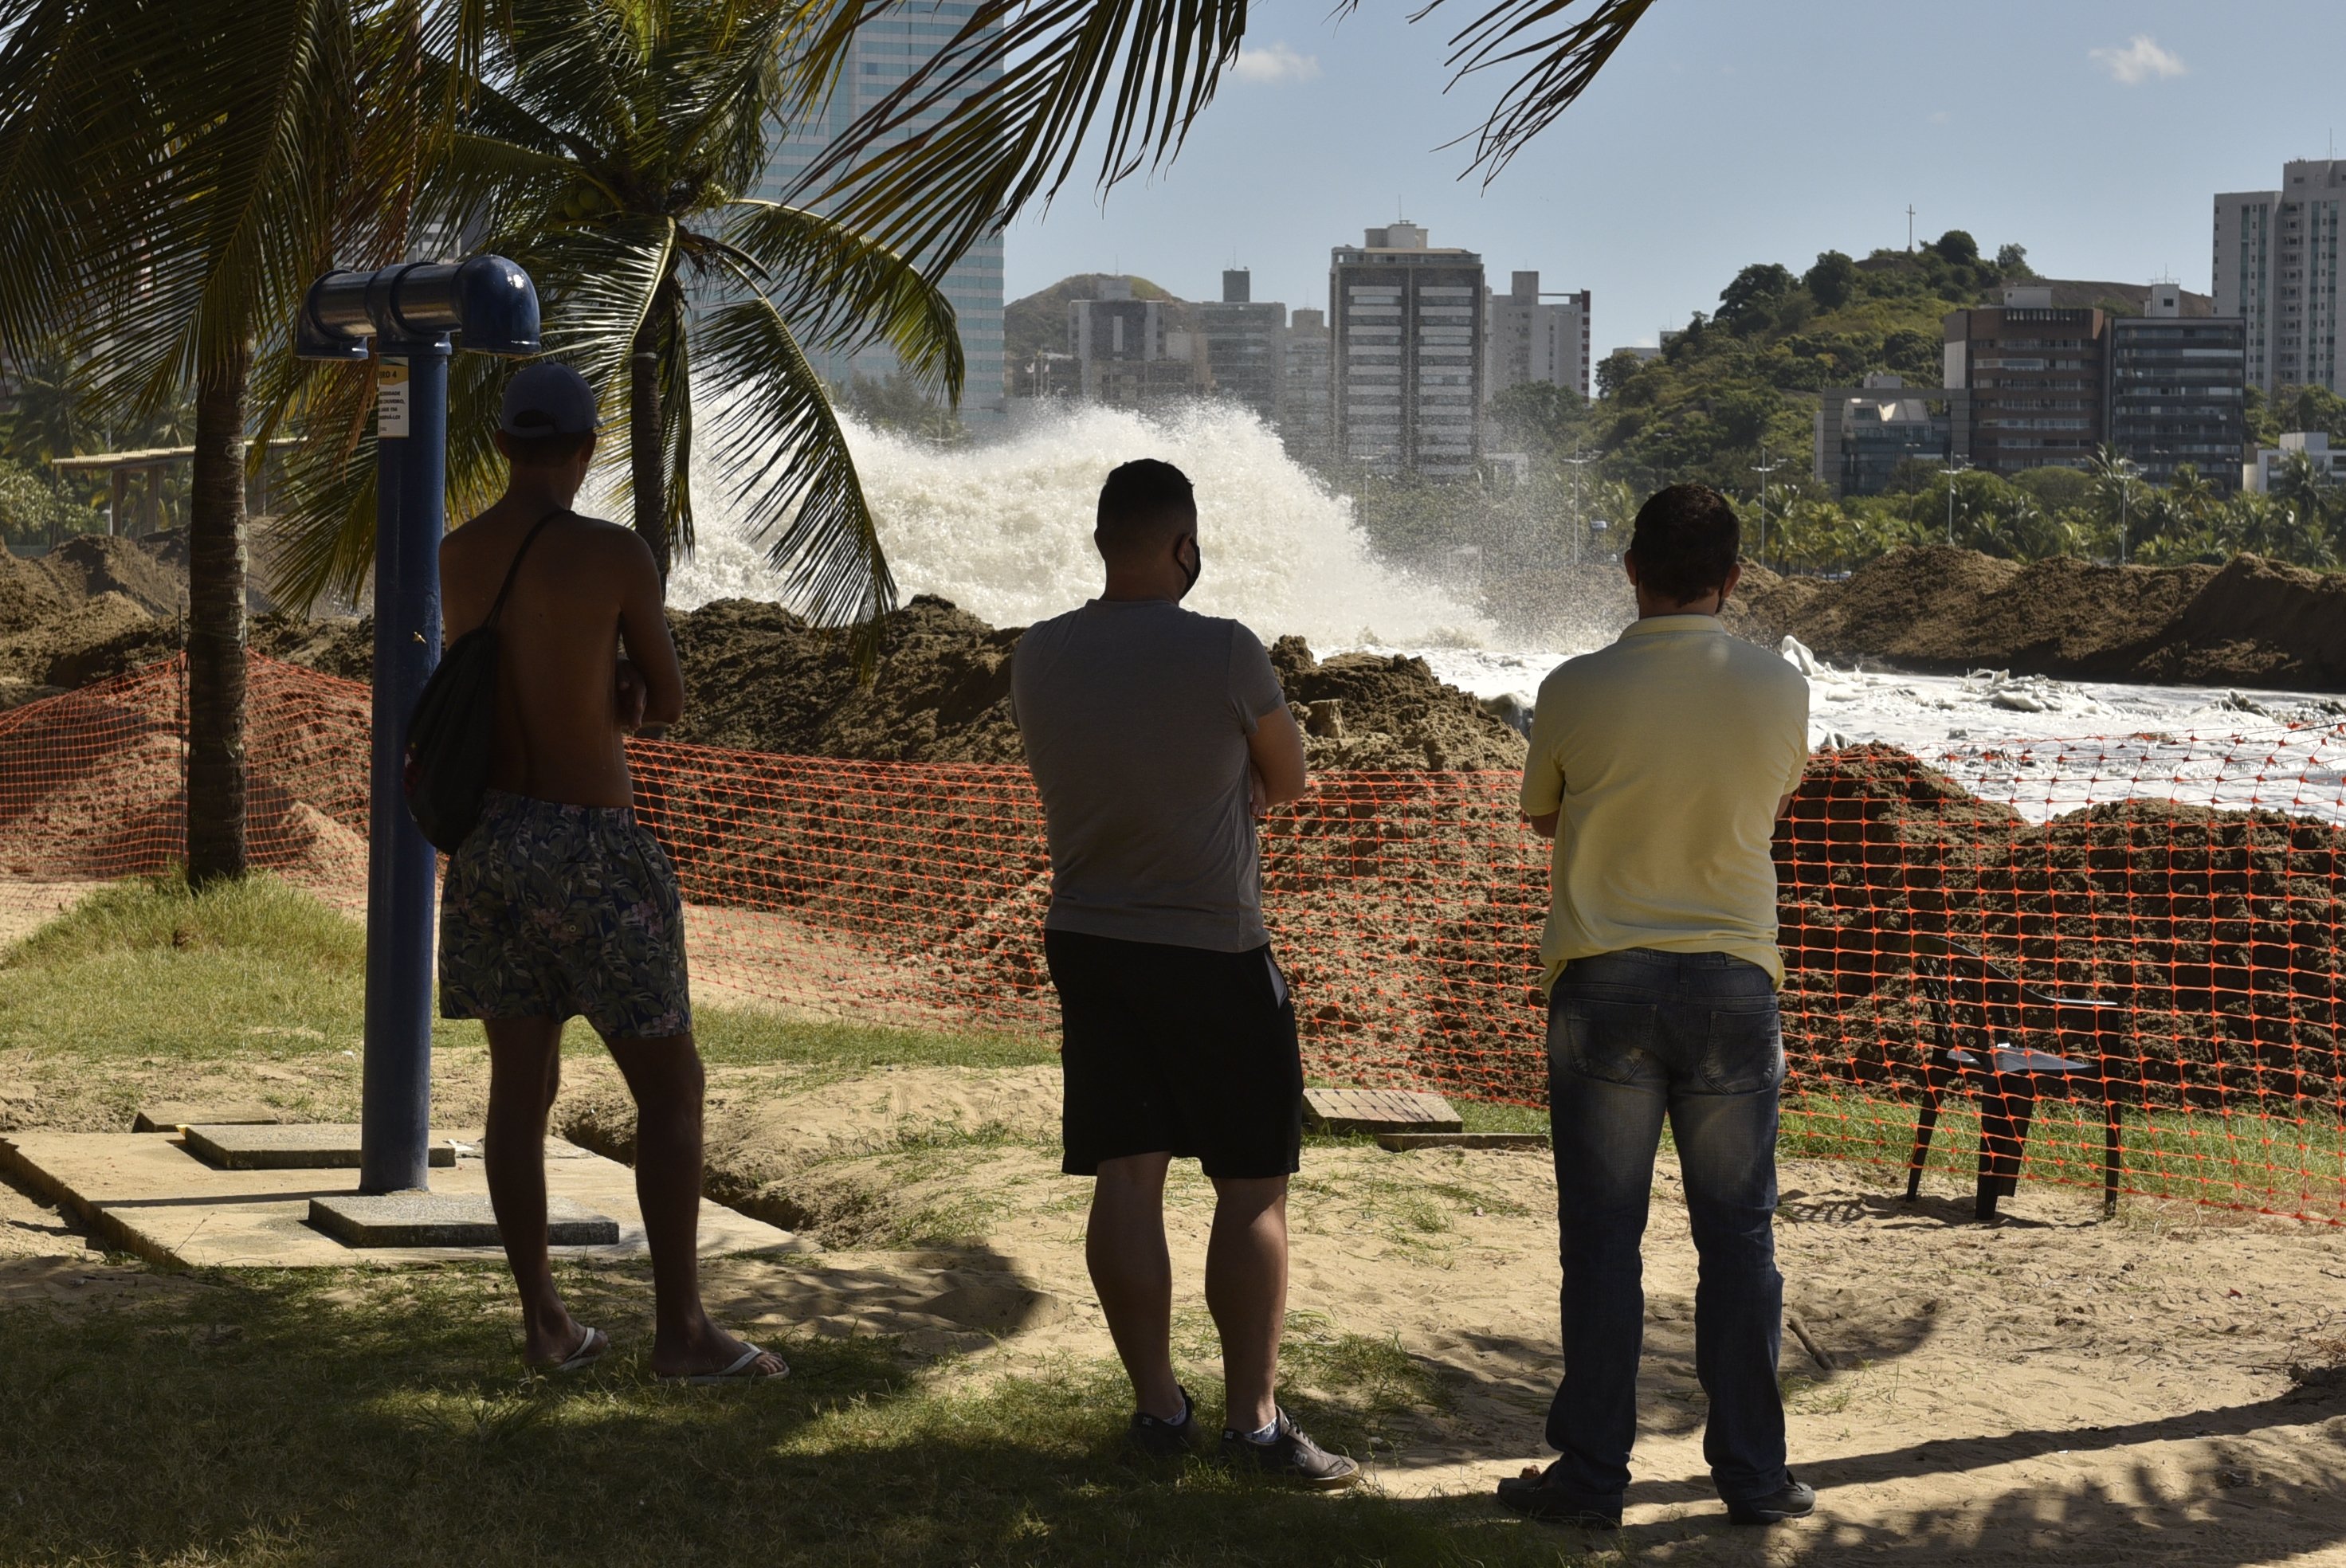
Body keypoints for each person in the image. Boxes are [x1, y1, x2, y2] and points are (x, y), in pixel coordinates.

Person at [437, 362, 785, 1383]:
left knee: (520, 1087)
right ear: (587, 449)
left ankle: (545, 1323)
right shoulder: (614, 553)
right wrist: (617, 681)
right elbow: (665, 701)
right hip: (592, 843)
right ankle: (681, 1334)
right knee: (671, 1090)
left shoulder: (460, 553)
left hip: (492, 842)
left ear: (502, 446)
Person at [1010, 459, 1355, 1488]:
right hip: (1213, 948)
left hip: (1089, 936)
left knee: (1127, 1171)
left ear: (1103, 540)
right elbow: (1287, 783)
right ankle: (1253, 1426)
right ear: (1182, 546)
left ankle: (1157, 1410)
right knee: (1252, 1184)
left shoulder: (1039, 656)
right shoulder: (1228, 654)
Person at [1498, 483, 1814, 1529]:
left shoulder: (1573, 686)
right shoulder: (1780, 690)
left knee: (1601, 1244)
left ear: (1629, 569)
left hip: (1606, 980)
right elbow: (1767, 804)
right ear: (1733, 580)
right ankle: (1755, 1480)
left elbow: (1544, 815)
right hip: (1734, 981)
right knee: (1740, 1241)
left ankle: (1593, 1475)